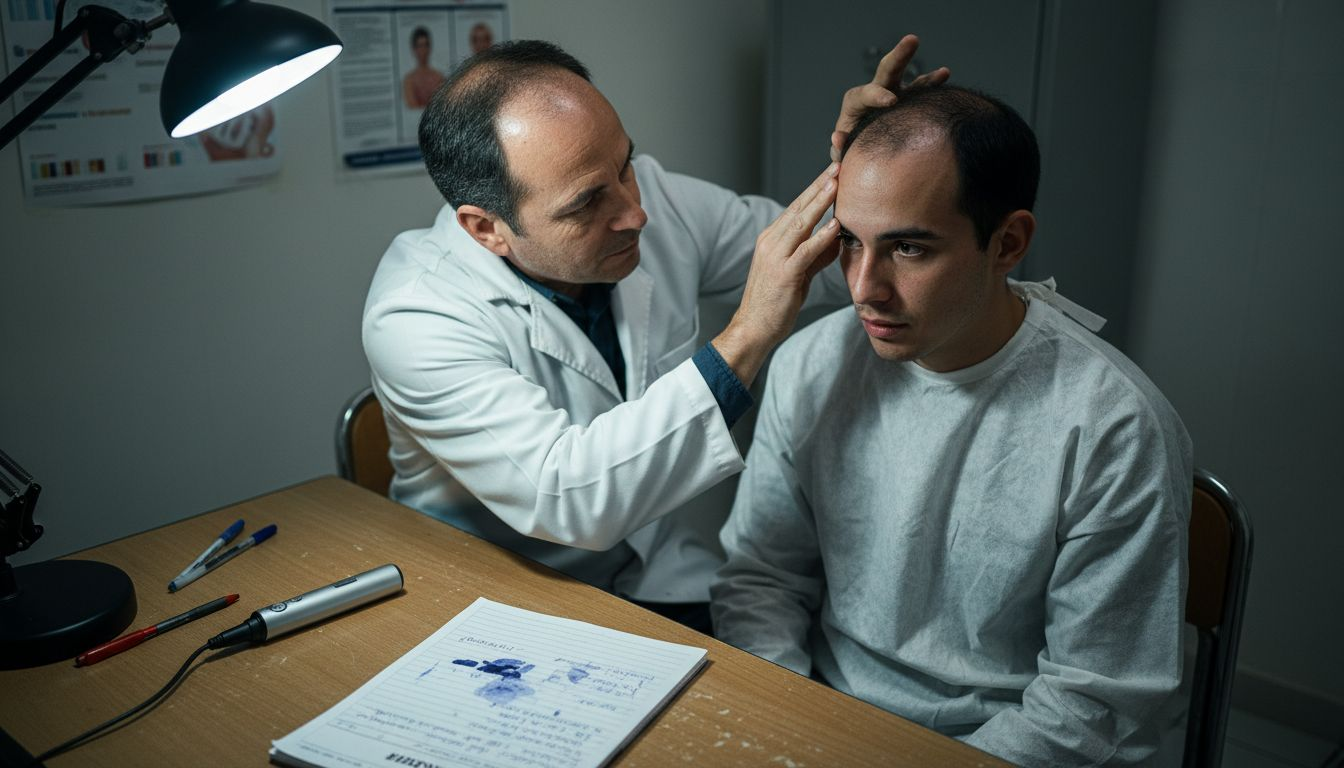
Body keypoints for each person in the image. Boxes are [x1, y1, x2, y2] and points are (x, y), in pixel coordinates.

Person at [362, 38, 946, 632]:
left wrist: (865, 163)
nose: (635, 212)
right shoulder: (416, 314)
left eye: (625, 166)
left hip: (656, 580)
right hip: (496, 602)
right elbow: (568, 496)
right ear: (486, 228)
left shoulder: (652, 199)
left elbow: (809, 254)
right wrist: (748, 334)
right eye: (586, 203)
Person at [711, 84, 1192, 766]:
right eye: (850, 242)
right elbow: (763, 580)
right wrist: (793, 722)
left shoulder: (1111, 427)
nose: (863, 288)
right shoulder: (812, 364)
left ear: (1008, 243)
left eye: (909, 249)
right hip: (826, 718)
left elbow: (1094, 702)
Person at [402, 27, 446, 109]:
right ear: (414, 49)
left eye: (426, 45)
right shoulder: (409, 80)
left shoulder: (439, 77)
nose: (423, 50)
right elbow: (412, 108)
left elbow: (441, 105)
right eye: (420, 46)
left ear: (430, 48)